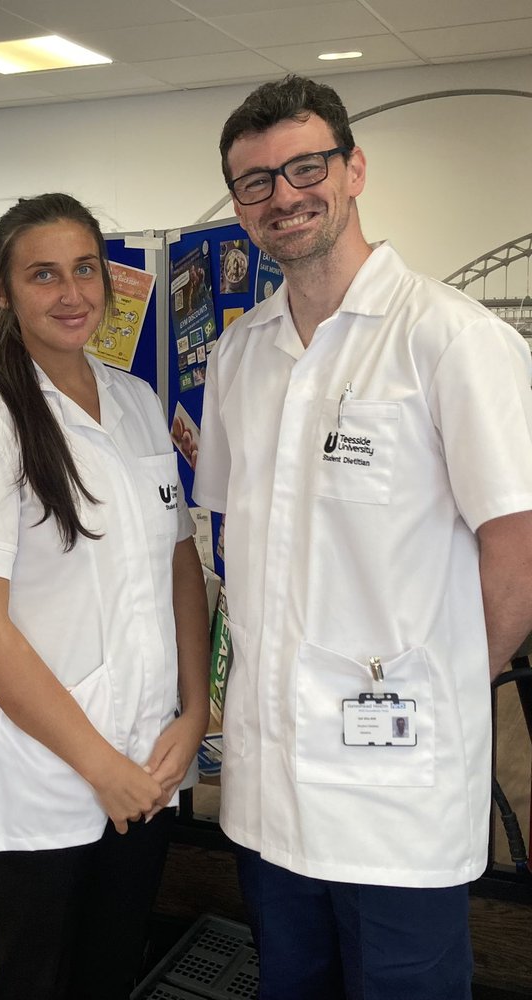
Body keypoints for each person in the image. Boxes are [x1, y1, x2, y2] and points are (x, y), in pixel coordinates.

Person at [193, 75, 532, 1000]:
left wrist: (446, 680)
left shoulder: (451, 340)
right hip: (269, 788)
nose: (283, 195)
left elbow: (520, 548)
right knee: (290, 984)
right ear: (239, 204)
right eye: (255, 181)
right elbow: (233, 538)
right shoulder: (239, 355)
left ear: (354, 169)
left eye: (306, 167)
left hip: (396, 790)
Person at [0, 192, 210, 1000]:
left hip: (149, 762)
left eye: (85, 269)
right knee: (35, 981)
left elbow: (180, 567)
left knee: (111, 971)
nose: (71, 293)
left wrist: (192, 715)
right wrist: (100, 766)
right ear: (3, 290)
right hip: (54, 777)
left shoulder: (136, 402)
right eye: (44, 274)